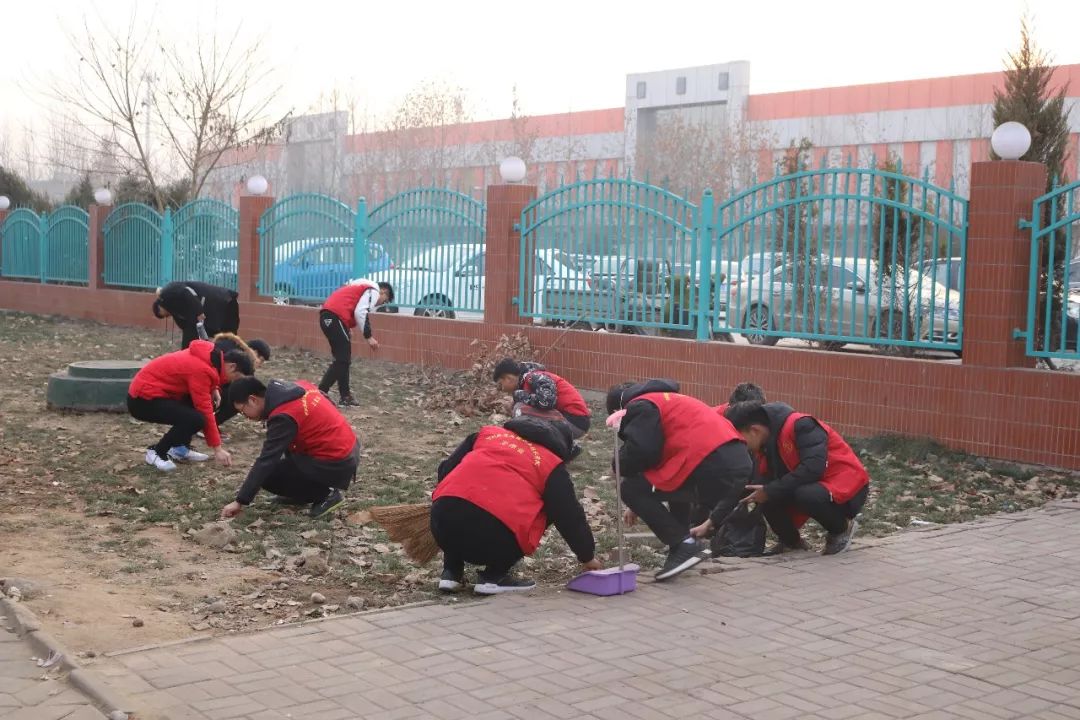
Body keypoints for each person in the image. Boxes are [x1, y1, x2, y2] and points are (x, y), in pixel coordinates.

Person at [431, 407, 602, 595]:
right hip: (492, 541)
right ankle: (494, 577)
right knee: (549, 508)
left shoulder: (486, 434)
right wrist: (587, 556)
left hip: (441, 527)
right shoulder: (550, 464)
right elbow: (569, 515)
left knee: (456, 500)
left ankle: (451, 573)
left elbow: (446, 470)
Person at [606, 379, 754, 581]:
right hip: (732, 462)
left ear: (618, 410)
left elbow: (642, 451)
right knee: (674, 484)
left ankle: (683, 544)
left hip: (710, 462)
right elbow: (660, 459)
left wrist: (618, 463)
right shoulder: (668, 401)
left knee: (630, 488)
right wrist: (641, 501)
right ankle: (681, 550)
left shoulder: (641, 405)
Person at [721, 401, 870, 556]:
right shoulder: (766, 442)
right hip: (810, 485)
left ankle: (841, 530)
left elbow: (813, 469)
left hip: (847, 488)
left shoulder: (802, 425)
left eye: (741, 440)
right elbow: (758, 480)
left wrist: (770, 490)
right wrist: (714, 519)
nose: (742, 447)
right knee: (762, 493)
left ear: (754, 430)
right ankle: (791, 543)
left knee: (801, 494)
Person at [221, 377, 360, 521]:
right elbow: (326, 399)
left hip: (337, 459)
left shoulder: (284, 415)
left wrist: (240, 501)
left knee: (269, 475)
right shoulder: (296, 388)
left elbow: (267, 459)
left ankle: (327, 494)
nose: (246, 418)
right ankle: (300, 494)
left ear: (253, 400)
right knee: (284, 461)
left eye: (243, 411)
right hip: (348, 447)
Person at [127, 340, 253, 472]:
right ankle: (157, 452)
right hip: (142, 399)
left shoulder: (212, 355)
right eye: (236, 378)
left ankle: (179, 447)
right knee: (196, 418)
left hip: (158, 393)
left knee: (201, 407)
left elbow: (203, 378)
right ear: (232, 366)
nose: (233, 381)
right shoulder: (201, 369)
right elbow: (205, 410)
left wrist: (214, 387)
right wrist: (218, 449)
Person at [493, 358, 591, 459]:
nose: (502, 389)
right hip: (568, 419)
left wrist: (518, 395)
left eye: (501, 384)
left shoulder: (535, 377)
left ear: (508, 378)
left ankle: (564, 447)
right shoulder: (529, 379)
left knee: (520, 410)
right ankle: (562, 446)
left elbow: (546, 402)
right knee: (520, 409)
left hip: (575, 421)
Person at [318, 280, 394, 406]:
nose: (380, 303)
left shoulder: (359, 286)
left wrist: (346, 327)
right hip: (334, 317)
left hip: (328, 316)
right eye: (385, 300)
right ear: (383, 291)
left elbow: (346, 303)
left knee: (343, 360)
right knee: (342, 360)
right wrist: (368, 337)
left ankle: (345, 396)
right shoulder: (373, 290)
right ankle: (321, 392)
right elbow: (360, 312)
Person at [209, 334, 272, 430]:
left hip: (205, 386)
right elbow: (248, 387)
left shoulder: (230, 345)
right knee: (239, 399)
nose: (259, 364)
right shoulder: (242, 359)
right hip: (208, 387)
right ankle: (209, 426)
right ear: (255, 352)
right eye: (261, 360)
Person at [152, 281, 241, 349]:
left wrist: (199, 311)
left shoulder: (167, 292)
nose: (168, 315)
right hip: (219, 307)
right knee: (226, 341)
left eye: (165, 315)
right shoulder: (176, 309)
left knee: (229, 339)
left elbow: (188, 291)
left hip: (223, 301)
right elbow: (186, 328)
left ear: (160, 306)